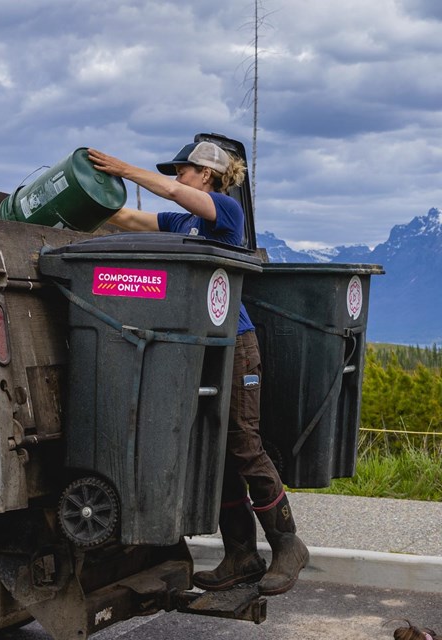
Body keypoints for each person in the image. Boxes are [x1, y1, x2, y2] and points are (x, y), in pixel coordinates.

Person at [88, 141, 309, 596]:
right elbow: (130, 219)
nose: (177, 176)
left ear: (205, 174)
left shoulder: (225, 212)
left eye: (183, 170)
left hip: (235, 343)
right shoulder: (184, 222)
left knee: (245, 444)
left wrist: (125, 169)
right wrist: (89, 198)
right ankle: (241, 554)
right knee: (212, 445)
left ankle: (288, 545)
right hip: (199, 344)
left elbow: (171, 194)